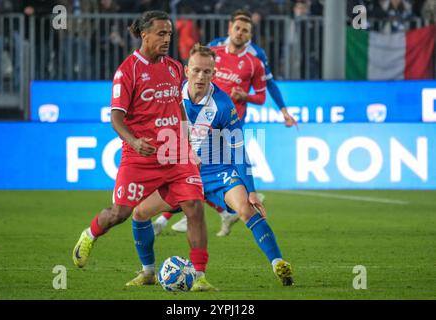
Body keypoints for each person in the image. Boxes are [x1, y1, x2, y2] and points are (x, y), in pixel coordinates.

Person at [72, 11, 216, 292]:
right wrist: (135, 142)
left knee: (194, 207)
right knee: (120, 213)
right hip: (140, 156)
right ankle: (90, 233)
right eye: (161, 33)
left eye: (170, 34)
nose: (167, 39)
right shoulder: (127, 71)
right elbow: (116, 118)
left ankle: (199, 276)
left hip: (175, 154)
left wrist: (187, 144)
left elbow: (180, 109)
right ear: (144, 34)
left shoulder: (175, 68)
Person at [134, 44, 294, 286]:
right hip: (182, 174)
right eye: (197, 70)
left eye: (207, 72)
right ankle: (147, 273)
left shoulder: (223, 104)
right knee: (139, 212)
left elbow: (238, 149)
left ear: (214, 73)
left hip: (218, 172)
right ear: (187, 70)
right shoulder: (170, 95)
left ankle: (278, 264)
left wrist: (251, 190)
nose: (201, 76)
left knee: (246, 209)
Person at [154, 9, 297, 236]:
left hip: (228, 125)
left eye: (246, 31)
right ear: (230, 27)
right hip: (201, 119)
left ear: (251, 34)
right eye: (238, 28)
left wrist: (280, 109)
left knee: (197, 169)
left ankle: (181, 213)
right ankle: (211, 210)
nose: (241, 33)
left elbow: (265, 90)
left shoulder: (256, 57)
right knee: (192, 167)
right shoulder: (214, 48)